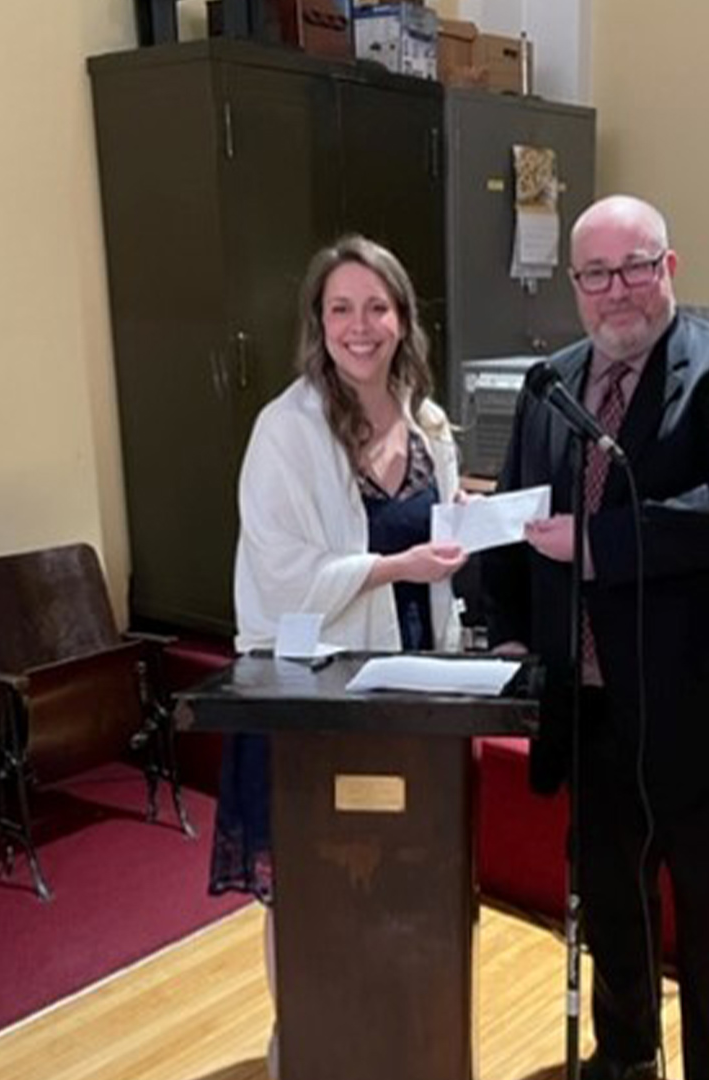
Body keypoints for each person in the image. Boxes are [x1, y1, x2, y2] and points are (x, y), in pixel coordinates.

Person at [483, 195, 709, 1080]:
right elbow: (520, 516)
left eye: (635, 267)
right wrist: (507, 628)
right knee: (613, 915)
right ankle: (624, 1059)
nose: (616, 290)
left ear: (670, 267)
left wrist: (596, 547)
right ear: (574, 285)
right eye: (596, 274)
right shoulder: (553, 382)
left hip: (701, 714)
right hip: (592, 712)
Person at [207, 234, 468, 1078]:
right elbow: (281, 578)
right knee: (319, 891)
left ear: (403, 319)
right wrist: (394, 566)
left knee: (416, 880)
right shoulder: (283, 431)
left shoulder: (427, 422)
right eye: (341, 308)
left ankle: (408, 1048)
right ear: (317, 323)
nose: (361, 326)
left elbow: (447, 537)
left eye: (377, 307)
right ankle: (317, 1052)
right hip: (315, 699)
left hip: (413, 692)